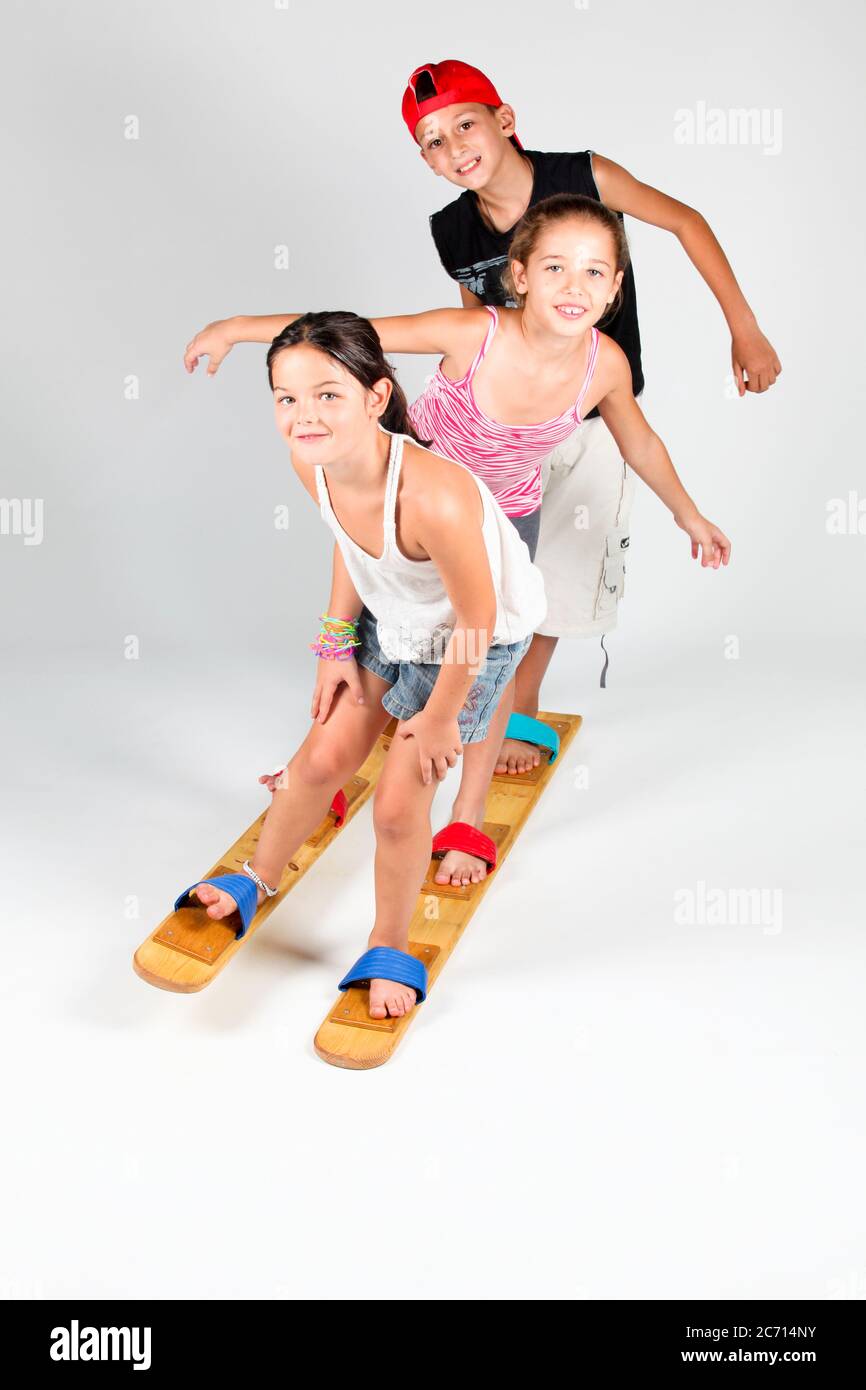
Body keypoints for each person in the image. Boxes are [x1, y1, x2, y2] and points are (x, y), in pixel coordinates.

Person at [184, 193, 731, 887]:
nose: (575, 286)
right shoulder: (472, 333)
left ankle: (466, 811)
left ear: (616, 288)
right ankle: (328, 771)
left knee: (485, 653)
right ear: (521, 275)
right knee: (380, 641)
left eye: (596, 273)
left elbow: (641, 444)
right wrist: (235, 328)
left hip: (502, 524)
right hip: (412, 509)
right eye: (556, 267)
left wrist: (689, 514)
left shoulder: (607, 365)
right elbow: (345, 334)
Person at [402, 56, 779, 759]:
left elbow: (687, 221)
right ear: (424, 160)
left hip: (599, 414)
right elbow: (473, 333)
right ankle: (436, 694)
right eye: (432, 142)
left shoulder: (582, 176)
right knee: (477, 559)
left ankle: (521, 703)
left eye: (465, 125)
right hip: (505, 429)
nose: (454, 148)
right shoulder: (451, 231)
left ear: (504, 121)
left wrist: (744, 325)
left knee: (566, 566)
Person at [174, 311, 545, 1019]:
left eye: (327, 394)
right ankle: (259, 874)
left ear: (376, 398)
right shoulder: (309, 461)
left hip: (470, 640)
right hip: (394, 614)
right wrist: (335, 644)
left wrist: (440, 719)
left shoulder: (430, 495)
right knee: (320, 759)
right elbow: (348, 543)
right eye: (286, 397)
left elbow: (479, 618)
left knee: (401, 808)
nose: (303, 414)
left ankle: (389, 940)